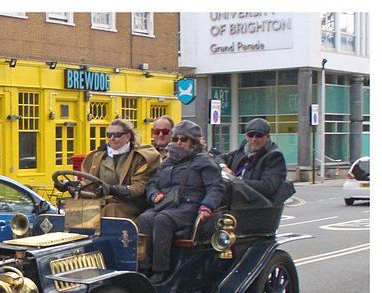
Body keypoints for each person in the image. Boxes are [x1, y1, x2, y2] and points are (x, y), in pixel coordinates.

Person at [137, 120, 225, 283]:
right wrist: (154, 194)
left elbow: (216, 187)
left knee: (162, 220)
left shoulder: (203, 161)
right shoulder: (168, 161)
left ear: (194, 142)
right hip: (165, 205)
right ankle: (143, 267)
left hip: (189, 207)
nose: (178, 143)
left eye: (183, 140)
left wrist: (207, 206)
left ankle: (161, 271)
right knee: (144, 218)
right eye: (176, 139)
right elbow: (152, 183)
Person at [81, 119, 161, 221]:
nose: (112, 138)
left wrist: (113, 190)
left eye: (117, 134)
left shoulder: (140, 157)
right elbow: (90, 182)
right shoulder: (99, 156)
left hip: (130, 206)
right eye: (109, 135)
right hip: (102, 203)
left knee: (111, 209)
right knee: (78, 210)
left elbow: (140, 187)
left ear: (128, 136)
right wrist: (74, 185)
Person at [216, 118, 287, 202]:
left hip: (254, 204)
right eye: (251, 135)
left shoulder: (274, 156)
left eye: (259, 135)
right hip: (233, 199)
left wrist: (235, 183)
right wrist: (224, 167)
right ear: (247, 136)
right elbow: (220, 157)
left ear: (267, 137)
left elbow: (267, 187)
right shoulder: (243, 149)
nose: (254, 139)